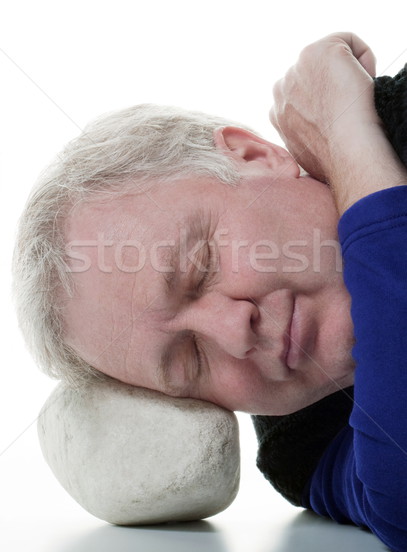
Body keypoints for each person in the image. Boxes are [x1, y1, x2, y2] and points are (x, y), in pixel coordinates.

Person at [13, 33, 407, 550]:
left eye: (199, 267)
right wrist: (347, 136)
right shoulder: (306, 441)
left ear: (255, 155)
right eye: (190, 362)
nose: (231, 332)